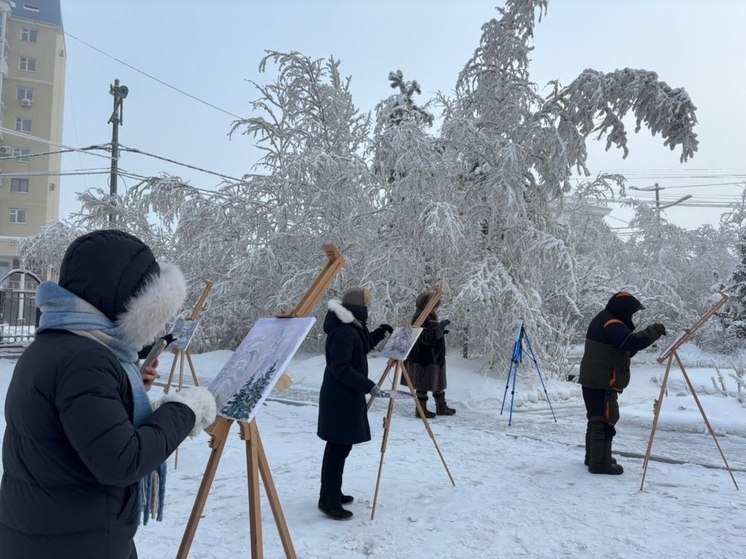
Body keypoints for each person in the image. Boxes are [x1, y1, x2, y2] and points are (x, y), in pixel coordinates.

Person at [0, 230, 217, 559]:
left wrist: (124, 391)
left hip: (47, 529)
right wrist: (184, 409)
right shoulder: (86, 361)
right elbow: (122, 461)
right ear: (127, 300)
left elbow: (76, 426)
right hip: (76, 541)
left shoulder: (57, 343)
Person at [316, 287, 393, 520]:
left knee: (340, 447)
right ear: (359, 308)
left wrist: (381, 332)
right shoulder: (343, 331)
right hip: (340, 399)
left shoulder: (351, 327)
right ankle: (328, 501)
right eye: (367, 306)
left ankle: (333, 493)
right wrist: (369, 386)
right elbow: (341, 368)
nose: (368, 310)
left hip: (345, 397)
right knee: (337, 448)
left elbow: (361, 346)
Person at [578, 291, 666, 475]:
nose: (632, 316)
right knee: (605, 420)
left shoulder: (604, 318)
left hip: (593, 379)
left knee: (595, 419)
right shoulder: (612, 322)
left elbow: (617, 348)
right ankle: (600, 464)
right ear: (623, 309)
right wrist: (655, 330)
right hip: (601, 380)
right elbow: (631, 341)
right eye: (631, 312)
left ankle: (594, 457)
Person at [403, 290, 454, 418]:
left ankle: (441, 406)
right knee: (423, 383)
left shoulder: (427, 316)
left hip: (432, 357)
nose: (436, 308)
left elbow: (429, 333)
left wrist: (440, 332)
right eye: (435, 305)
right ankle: (421, 410)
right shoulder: (421, 316)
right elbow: (425, 337)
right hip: (424, 358)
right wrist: (440, 328)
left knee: (436, 382)